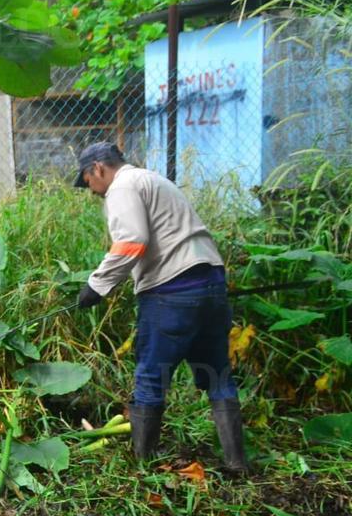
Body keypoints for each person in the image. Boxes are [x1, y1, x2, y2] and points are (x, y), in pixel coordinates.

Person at [73, 142, 246, 474]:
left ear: (98, 168)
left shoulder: (121, 187)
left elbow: (131, 241)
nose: (90, 190)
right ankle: (237, 462)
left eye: (87, 180)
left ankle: (142, 465)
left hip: (171, 293)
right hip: (211, 285)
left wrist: (97, 286)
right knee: (217, 372)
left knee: (152, 376)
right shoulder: (153, 180)